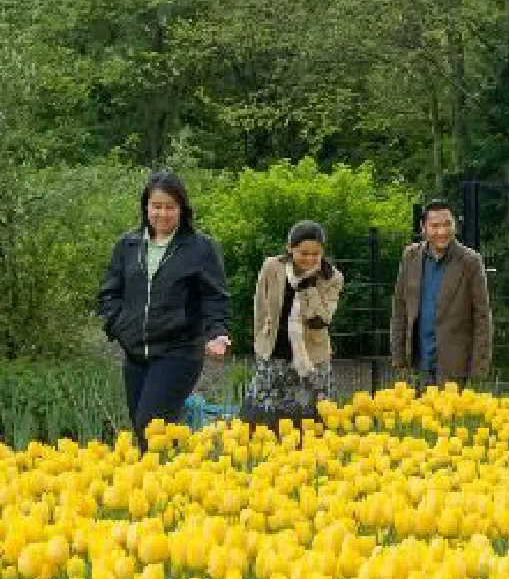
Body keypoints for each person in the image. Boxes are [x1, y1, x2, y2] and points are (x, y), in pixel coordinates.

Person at [96, 170, 231, 449]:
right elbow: (109, 292)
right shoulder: (128, 245)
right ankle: (165, 484)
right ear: (146, 207)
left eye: (170, 207)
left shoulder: (200, 248)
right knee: (142, 429)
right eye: (156, 206)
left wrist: (216, 332)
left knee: (150, 425)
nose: (162, 214)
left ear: (182, 209)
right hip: (136, 352)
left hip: (178, 351)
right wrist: (117, 325)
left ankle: (169, 485)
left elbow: (214, 297)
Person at [240, 221, 344, 428]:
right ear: (290, 248)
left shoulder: (332, 277)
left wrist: (309, 286)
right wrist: (260, 341)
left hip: (311, 357)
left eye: (316, 254)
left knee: (310, 425)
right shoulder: (272, 266)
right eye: (303, 253)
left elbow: (322, 319)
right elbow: (259, 306)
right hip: (275, 352)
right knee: (262, 423)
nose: (309, 259)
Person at [391, 200, 493, 388]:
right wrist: (398, 356)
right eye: (435, 226)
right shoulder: (410, 256)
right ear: (423, 228)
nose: (442, 232)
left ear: (455, 224)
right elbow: (400, 308)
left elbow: (482, 317)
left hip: (455, 366)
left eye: (447, 224)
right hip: (418, 362)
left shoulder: (470, 261)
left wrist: (478, 368)